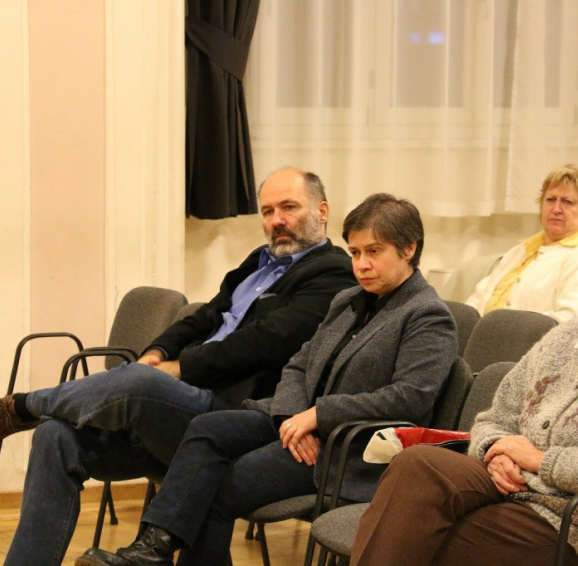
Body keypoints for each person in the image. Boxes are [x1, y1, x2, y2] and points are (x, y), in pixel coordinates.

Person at [0, 167, 357, 566]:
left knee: (139, 382)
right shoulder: (258, 262)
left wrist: (175, 369)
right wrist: (158, 350)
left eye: (289, 207)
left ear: (321, 211)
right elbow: (206, 316)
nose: (276, 220)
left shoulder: (333, 274)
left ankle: (20, 408)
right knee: (55, 435)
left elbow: (263, 343)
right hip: (180, 416)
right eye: (267, 211)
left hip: (233, 413)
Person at [76, 193, 458, 566]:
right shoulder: (348, 300)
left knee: (216, 486)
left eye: (374, 252)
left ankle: (151, 552)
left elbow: (409, 399)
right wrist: (292, 416)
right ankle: (153, 548)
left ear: (409, 249)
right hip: (297, 424)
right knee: (208, 428)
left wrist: (317, 415)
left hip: (349, 450)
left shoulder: (427, 315)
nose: (361, 264)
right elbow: (298, 365)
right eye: (355, 253)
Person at [352, 194, 578, 566]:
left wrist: (541, 460)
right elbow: (495, 417)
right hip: (510, 489)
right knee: (417, 465)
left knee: (417, 531)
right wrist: (496, 452)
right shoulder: (566, 337)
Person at [466, 163, 578, 322]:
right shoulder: (522, 249)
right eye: (550, 200)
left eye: (567, 202)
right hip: (482, 334)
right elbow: (478, 298)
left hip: (529, 338)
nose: (556, 209)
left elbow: (570, 321)